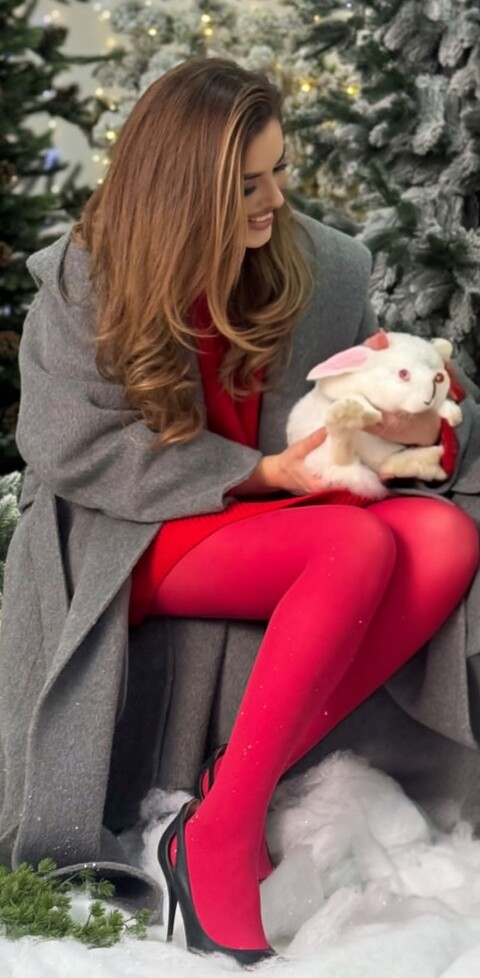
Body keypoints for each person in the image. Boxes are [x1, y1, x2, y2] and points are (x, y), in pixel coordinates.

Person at [0, 57, 479, 964]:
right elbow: (67, 444)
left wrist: (425, 419)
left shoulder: (319, 266)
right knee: (352, 546)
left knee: (442, 537)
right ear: (185, 187)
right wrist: (262, 474)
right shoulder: (86, 276)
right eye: (247, 185)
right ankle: (223, 837)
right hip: (129, 529)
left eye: (279, 170)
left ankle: (225, 801)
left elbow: (390, 379)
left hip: (272, 520)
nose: (274, 200)